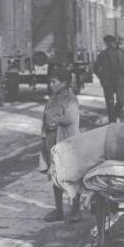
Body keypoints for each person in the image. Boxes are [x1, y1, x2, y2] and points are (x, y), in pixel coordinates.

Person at [39, 68, 81, 222]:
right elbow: (45, 118)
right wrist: (44, 136)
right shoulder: (51, 99)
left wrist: (54, 120)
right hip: (52, 140)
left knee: (71, 176)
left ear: (63, 83)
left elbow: (69, 118)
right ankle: (59, 211)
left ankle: (76, 211)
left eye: (54, 82)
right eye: (50, 82)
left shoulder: (71, 99)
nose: (51, 85)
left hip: (67, 140)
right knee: (55, 175)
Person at [93, 34, 124, 123]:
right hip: (108, 81)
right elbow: (96, 68)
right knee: (110, 102)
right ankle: (112, 121)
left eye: (112, 42)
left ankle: (117, 114)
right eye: (108, 43)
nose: (111, 44)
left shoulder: (120, 53)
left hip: (119, 80)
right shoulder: (102, 54)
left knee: (121, 100)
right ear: (106, 43)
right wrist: (102, 77)